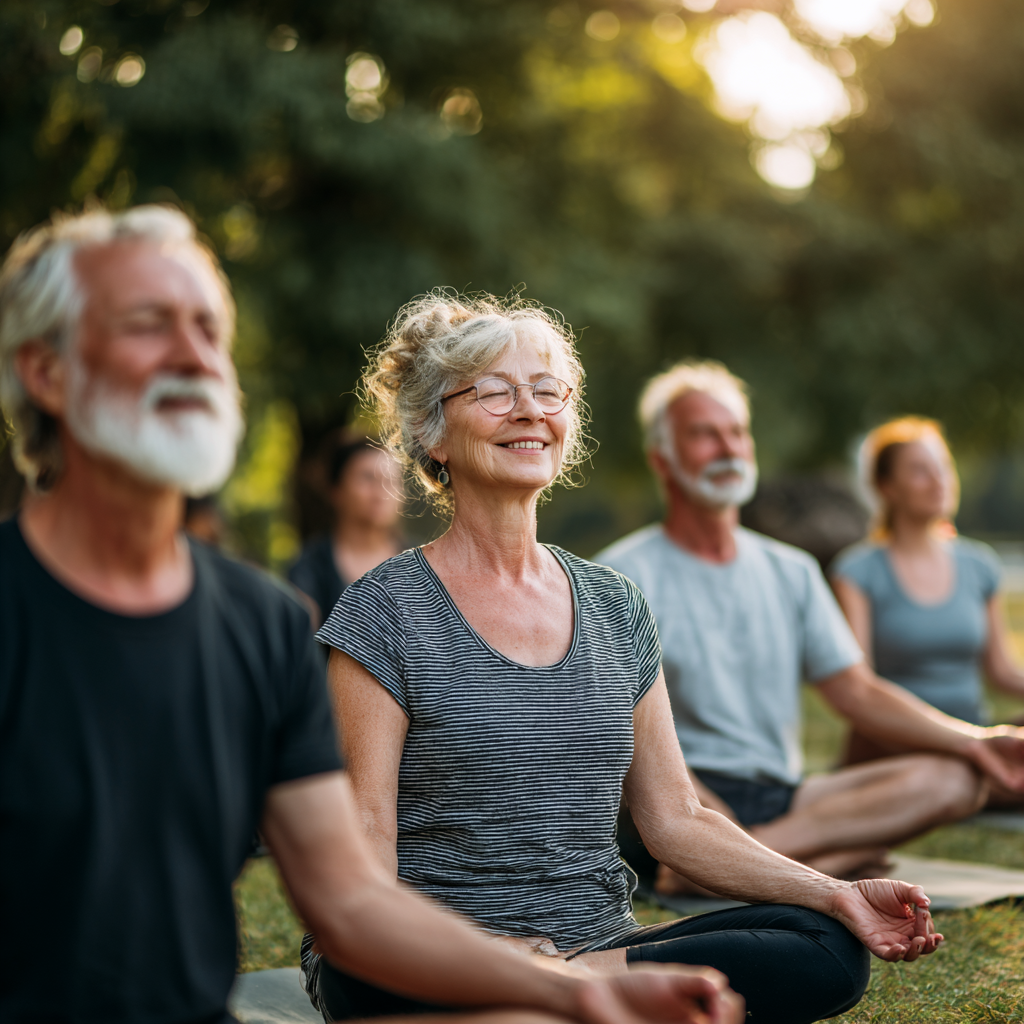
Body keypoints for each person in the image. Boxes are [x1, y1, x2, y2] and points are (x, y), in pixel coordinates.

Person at [0, 207, 753, 1024]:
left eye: (211, 330)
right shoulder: (365, 612)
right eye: (149, 325)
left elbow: (350, 901)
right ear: (45, 372)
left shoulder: (264, 624)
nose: (194, 356)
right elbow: (358, 890)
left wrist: (569, 992)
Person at [304, 292, 947, 1024]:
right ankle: (558, 995)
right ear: (433, 434)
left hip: (598, 944)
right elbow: (363, 853)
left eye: (547, 391)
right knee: (361, 968)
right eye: (493, 392)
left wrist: (832, 891)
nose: (528, 410)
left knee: (825, 943)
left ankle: (576, 992)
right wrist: (490, 956)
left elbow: (676, 819)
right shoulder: (382, 610)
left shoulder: (615, 603)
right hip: (430, 956)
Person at [595, 361, 1024, 893]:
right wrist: (702, 820)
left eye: (736, 432)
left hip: (784, 794)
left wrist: (977, 741)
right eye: (704, 434)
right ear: (661, 459)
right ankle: (778, 855)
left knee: (959, 780)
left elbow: (856, 691)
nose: (728, 447)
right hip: (679, 795)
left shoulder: (791, 569)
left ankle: (739, 860)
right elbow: (615, 734)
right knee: (706, 825)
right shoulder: (617, 576)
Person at [831, 416, 1024, 777]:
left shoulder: (980, 564)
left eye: (944, 468)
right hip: (892, 742)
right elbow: (859, 687)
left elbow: (1003, 672)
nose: (939, 481)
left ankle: (981, 772)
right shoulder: (858, 570)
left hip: (972, 733)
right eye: (921, 471)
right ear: (886, 487)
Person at [289, 436, 404, 627]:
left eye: (392, 480)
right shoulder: (310, 569)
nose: (381, 492)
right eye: (368, 478)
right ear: (336, 489)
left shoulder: (424, 563)